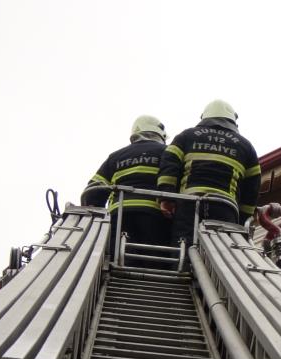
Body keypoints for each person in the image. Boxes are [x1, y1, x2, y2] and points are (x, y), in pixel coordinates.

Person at [157, 99, 261, 245]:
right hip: (225, 207)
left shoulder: (187, 136)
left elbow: (169, 165)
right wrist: (242, 219)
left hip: (189, 203)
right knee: (225, 252)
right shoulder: (245, 146)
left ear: (204, 118)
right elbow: (252, 187)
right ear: (233, 122)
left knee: (183, 245)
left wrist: (166, 198)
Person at [82, 115, 171, 261]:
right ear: (160, 134)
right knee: (155, 260)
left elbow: (94, 190)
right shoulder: (168, 152)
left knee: (119, 258)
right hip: (155, 214)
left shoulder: (116, 156)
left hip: (120, 215)